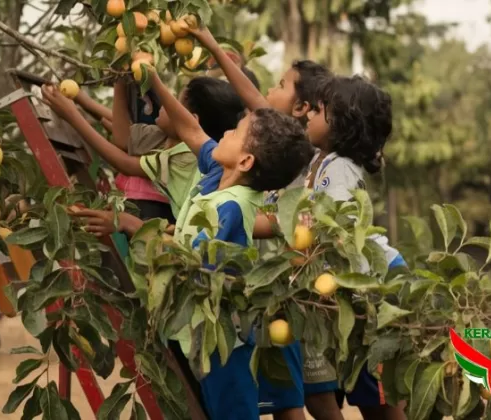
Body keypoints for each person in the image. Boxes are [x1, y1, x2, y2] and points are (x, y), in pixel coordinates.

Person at [72, 64, 314, 419]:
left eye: (235, 132)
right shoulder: (220, 173)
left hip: (223, 344)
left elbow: (186, 258)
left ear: (245, 160)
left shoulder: (231, 207)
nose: (226, 133)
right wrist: (152, 78)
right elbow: (190, 127)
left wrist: (128, 224)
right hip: (203, 335)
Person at [188, 24, 333, 420]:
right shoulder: (265, 154)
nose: (270, 90)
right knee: (283, 397)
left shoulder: (293, 161)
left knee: (299, 399)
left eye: (282, 84)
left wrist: (214, 47)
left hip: (278, 294)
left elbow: (287, 226)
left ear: (302, 108)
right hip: (256, 298)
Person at [303, 75, 408, 420]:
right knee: (369, 391)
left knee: (378, 395)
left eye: (319, 110)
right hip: (358, 284)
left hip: (370, 286)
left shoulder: (338, 169)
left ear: (342, 124)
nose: (309, 115)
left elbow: (338, 234)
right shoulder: (323, 162)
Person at [41, 75, 246, 221]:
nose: (164, 105)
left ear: (189, 121)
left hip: (161, 222)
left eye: (172, 103)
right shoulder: (168, 136)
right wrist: (120, 82)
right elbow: (123, 138)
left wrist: (72, 115)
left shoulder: (185, 157)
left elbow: (125, 163)